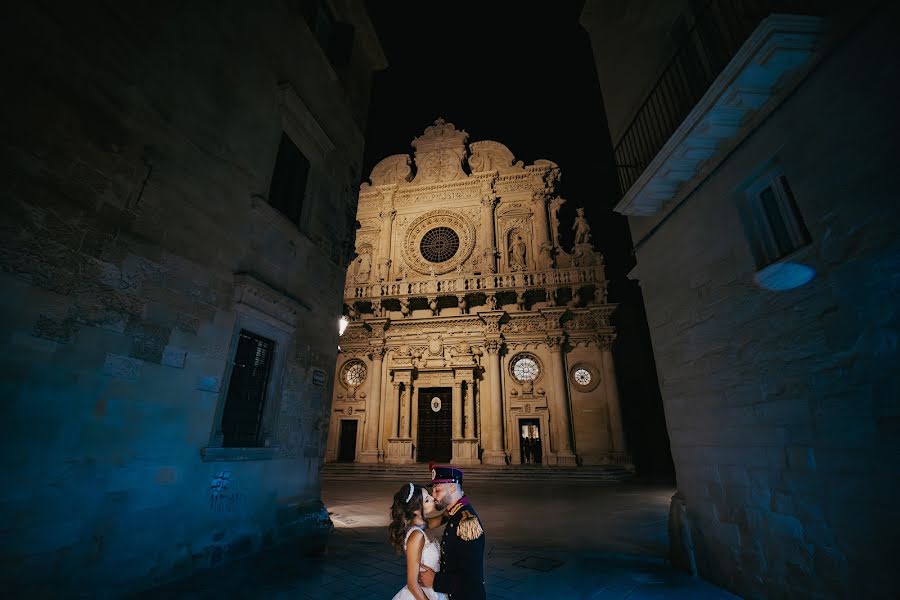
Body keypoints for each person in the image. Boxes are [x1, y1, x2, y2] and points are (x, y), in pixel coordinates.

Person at [419, 466, 486, 600]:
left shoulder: (466, 523)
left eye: (437, 490)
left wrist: (435, 581)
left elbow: (471, 579)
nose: (433, 495)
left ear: (453, 488)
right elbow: (433, 522)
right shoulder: (455, 512)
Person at [389, 483, 448, 600]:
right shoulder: (416, 535)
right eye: (427, 500)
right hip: (423, 594)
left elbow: (444, 517)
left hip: (434, 588)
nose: (432, 498)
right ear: (416, 510)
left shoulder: (423, 525)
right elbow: (412, 583)